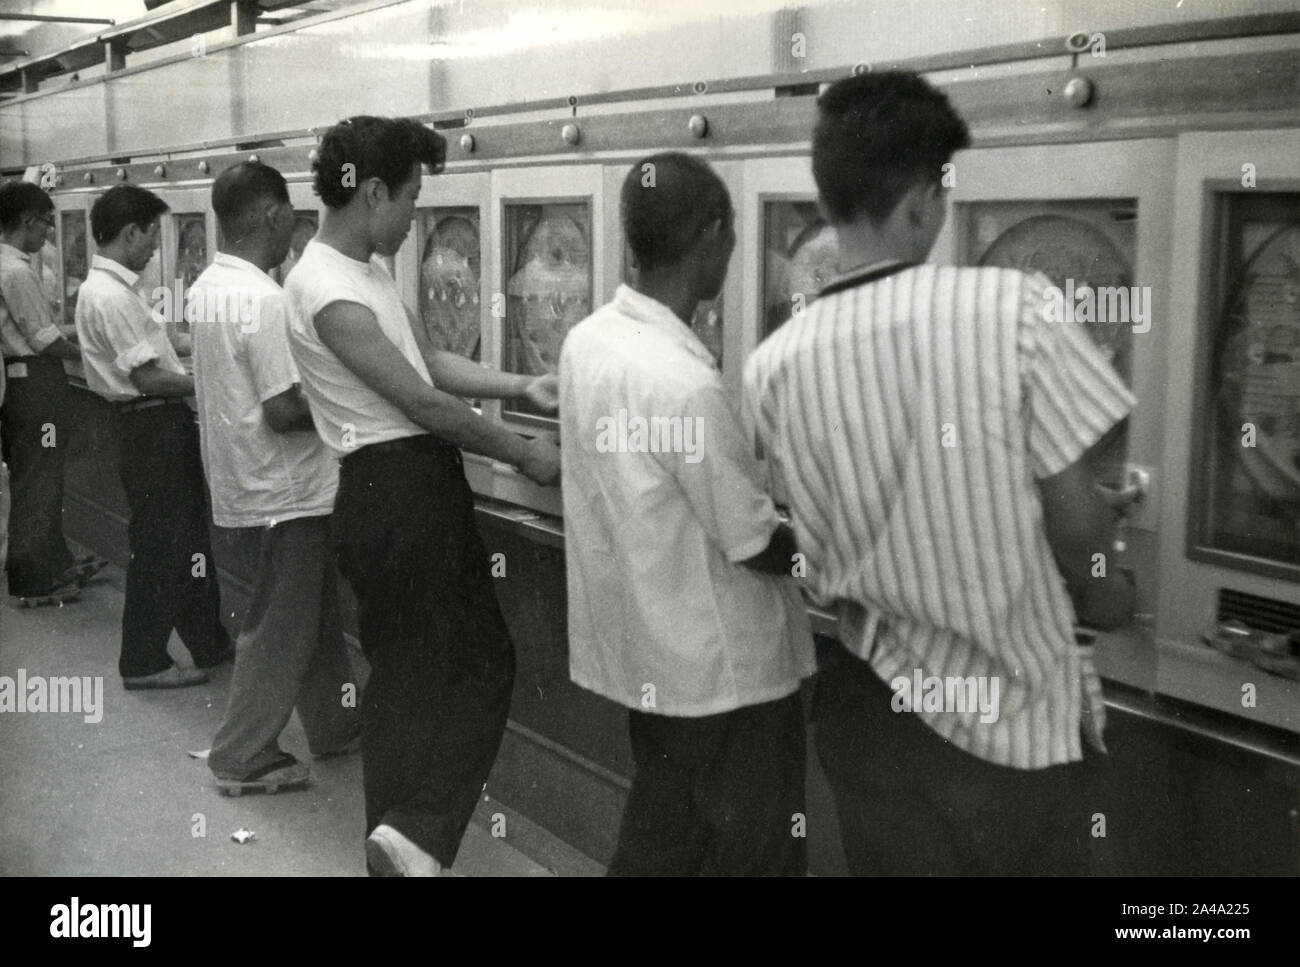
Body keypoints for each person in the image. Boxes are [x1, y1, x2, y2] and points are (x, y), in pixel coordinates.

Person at [743, 71, 1138, 876]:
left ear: (828, 197)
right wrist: (1110, 594)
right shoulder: (1016, 311)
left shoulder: (771, 366)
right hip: (1010, 724)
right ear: (923, 200)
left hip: (867, 711)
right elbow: (1076, 523)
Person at [284, 115, 561, 876]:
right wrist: (523, 450)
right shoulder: (320, 286)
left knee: (407, 676)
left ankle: (401, 841)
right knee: (485, 663)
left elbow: (431, 361)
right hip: (397, 490)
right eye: (409, 199)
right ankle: (419, 830)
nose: (414, 219)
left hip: (404, 489)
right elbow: (421, 402)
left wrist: (520, 384)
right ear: (372, 191)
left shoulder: (366, 273)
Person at [560, 153, 816, 876]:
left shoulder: (590, 341)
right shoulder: (683, 383)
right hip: (725, 677)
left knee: (663, 836)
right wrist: (841, 548)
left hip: (651, 659)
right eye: (732, 240)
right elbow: (753, 541)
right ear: (710, 236)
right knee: (758, 850)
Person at [189, 161, 360, 795]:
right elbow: (284, 409)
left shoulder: (209, 285)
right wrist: (354, 397)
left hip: (245, 487)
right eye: (291, 211)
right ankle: (241, 753)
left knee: (310, 616)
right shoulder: (262, 299)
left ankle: (337, 724)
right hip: (285, 494)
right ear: (273, 216)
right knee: (280, 628)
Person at [74, 184, 233, 690]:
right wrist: (215, 383)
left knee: (183, 539)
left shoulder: (108, 290)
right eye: (150, 237)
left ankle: (209, 640)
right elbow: (150, 378)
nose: (155, 250)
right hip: (153, 425)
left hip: (149, 426)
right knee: (164, 544)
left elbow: (161, 345)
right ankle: (142, 660)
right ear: (129, 232)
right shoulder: (112, 297)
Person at [0, 180, 106, 606]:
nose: (48, 234)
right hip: (37, 387)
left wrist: (72, 331)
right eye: (46, 224)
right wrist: (91, 353)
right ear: (27, 221)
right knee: (39, 479)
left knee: (36, 476)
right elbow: (44, 340)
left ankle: (54, 565)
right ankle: (31, 581)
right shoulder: (18, 270)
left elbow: (29, 327)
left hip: (19, 384)